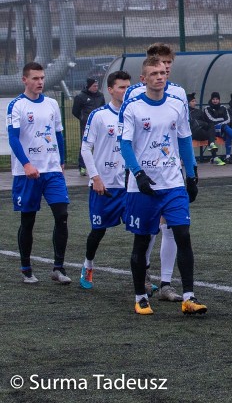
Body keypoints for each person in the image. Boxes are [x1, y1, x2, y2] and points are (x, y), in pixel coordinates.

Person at [119, 55, 205, 316]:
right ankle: (140, 296)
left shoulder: (177, 105)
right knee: (142, 241)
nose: (160, 76)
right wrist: (138, 173)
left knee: (183, 235)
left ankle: (189, 297)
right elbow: (124, 145)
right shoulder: (132, 107)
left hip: (172, 184)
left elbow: (185, 141)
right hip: (143, 187)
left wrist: (191, 175)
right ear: (143, 79)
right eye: (154, 73)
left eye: (162, 72)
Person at [125, 42, 188, 302]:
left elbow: (182, 134)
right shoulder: (134, 95)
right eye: (161, 64)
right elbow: (129, 136)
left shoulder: (178, 94)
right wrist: (135, 171)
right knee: (148, 230)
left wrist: (189, 170)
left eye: (169, 64)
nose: (165, 69)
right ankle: (145, 277)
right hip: (143, 173)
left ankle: (166, 283)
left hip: (172, 173)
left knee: (174, 229)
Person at [7, 62, 71, 284]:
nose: (40, 82)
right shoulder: (17, 106)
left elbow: (59, 134)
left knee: (62, 216)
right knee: (28, 221)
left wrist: (62, 161)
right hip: (27, 174)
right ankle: (26, 268)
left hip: (52, 171)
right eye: (35, 78)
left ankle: (58, 268)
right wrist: (26, 164)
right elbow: (13, 138)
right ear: (25, 80)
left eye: (42, 78)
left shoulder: (52, 104)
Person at [79, 70, 132, 289]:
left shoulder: (134, 114)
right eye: (121, 87)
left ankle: (145, 278)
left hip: (130, 186)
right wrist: (96, 177)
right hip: (104, 186)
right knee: (98, 231)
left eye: (128, 86)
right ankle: (88, 265)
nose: (125, 91)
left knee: (144, 232)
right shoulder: (99, 115)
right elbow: (85, 149)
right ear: (110, 90)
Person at [72, 77, 105, 176]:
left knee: (99, 144)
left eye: (97, 86)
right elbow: (75, 111)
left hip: (99, 125)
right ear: (89, 86)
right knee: (86, 145)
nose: (96, 88)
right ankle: (82, 166)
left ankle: (99, 165)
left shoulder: (100, 96)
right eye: (94, 86)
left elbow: (103, 108)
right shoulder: (81, 97)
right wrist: (83, 118)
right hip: (86, 125)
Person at [204, 92, 232, 165]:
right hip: (213, 130)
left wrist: (220, 122)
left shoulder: (223, 108)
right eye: (213, 99)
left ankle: (228, 156)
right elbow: (211, 120)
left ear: (219, 100)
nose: (215, 101)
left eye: (217, 99)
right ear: (211, 99)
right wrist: (222, 120)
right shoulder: (207, 108)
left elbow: (228, 119)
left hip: (222, 129)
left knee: (227, 132)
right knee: (225, 127)